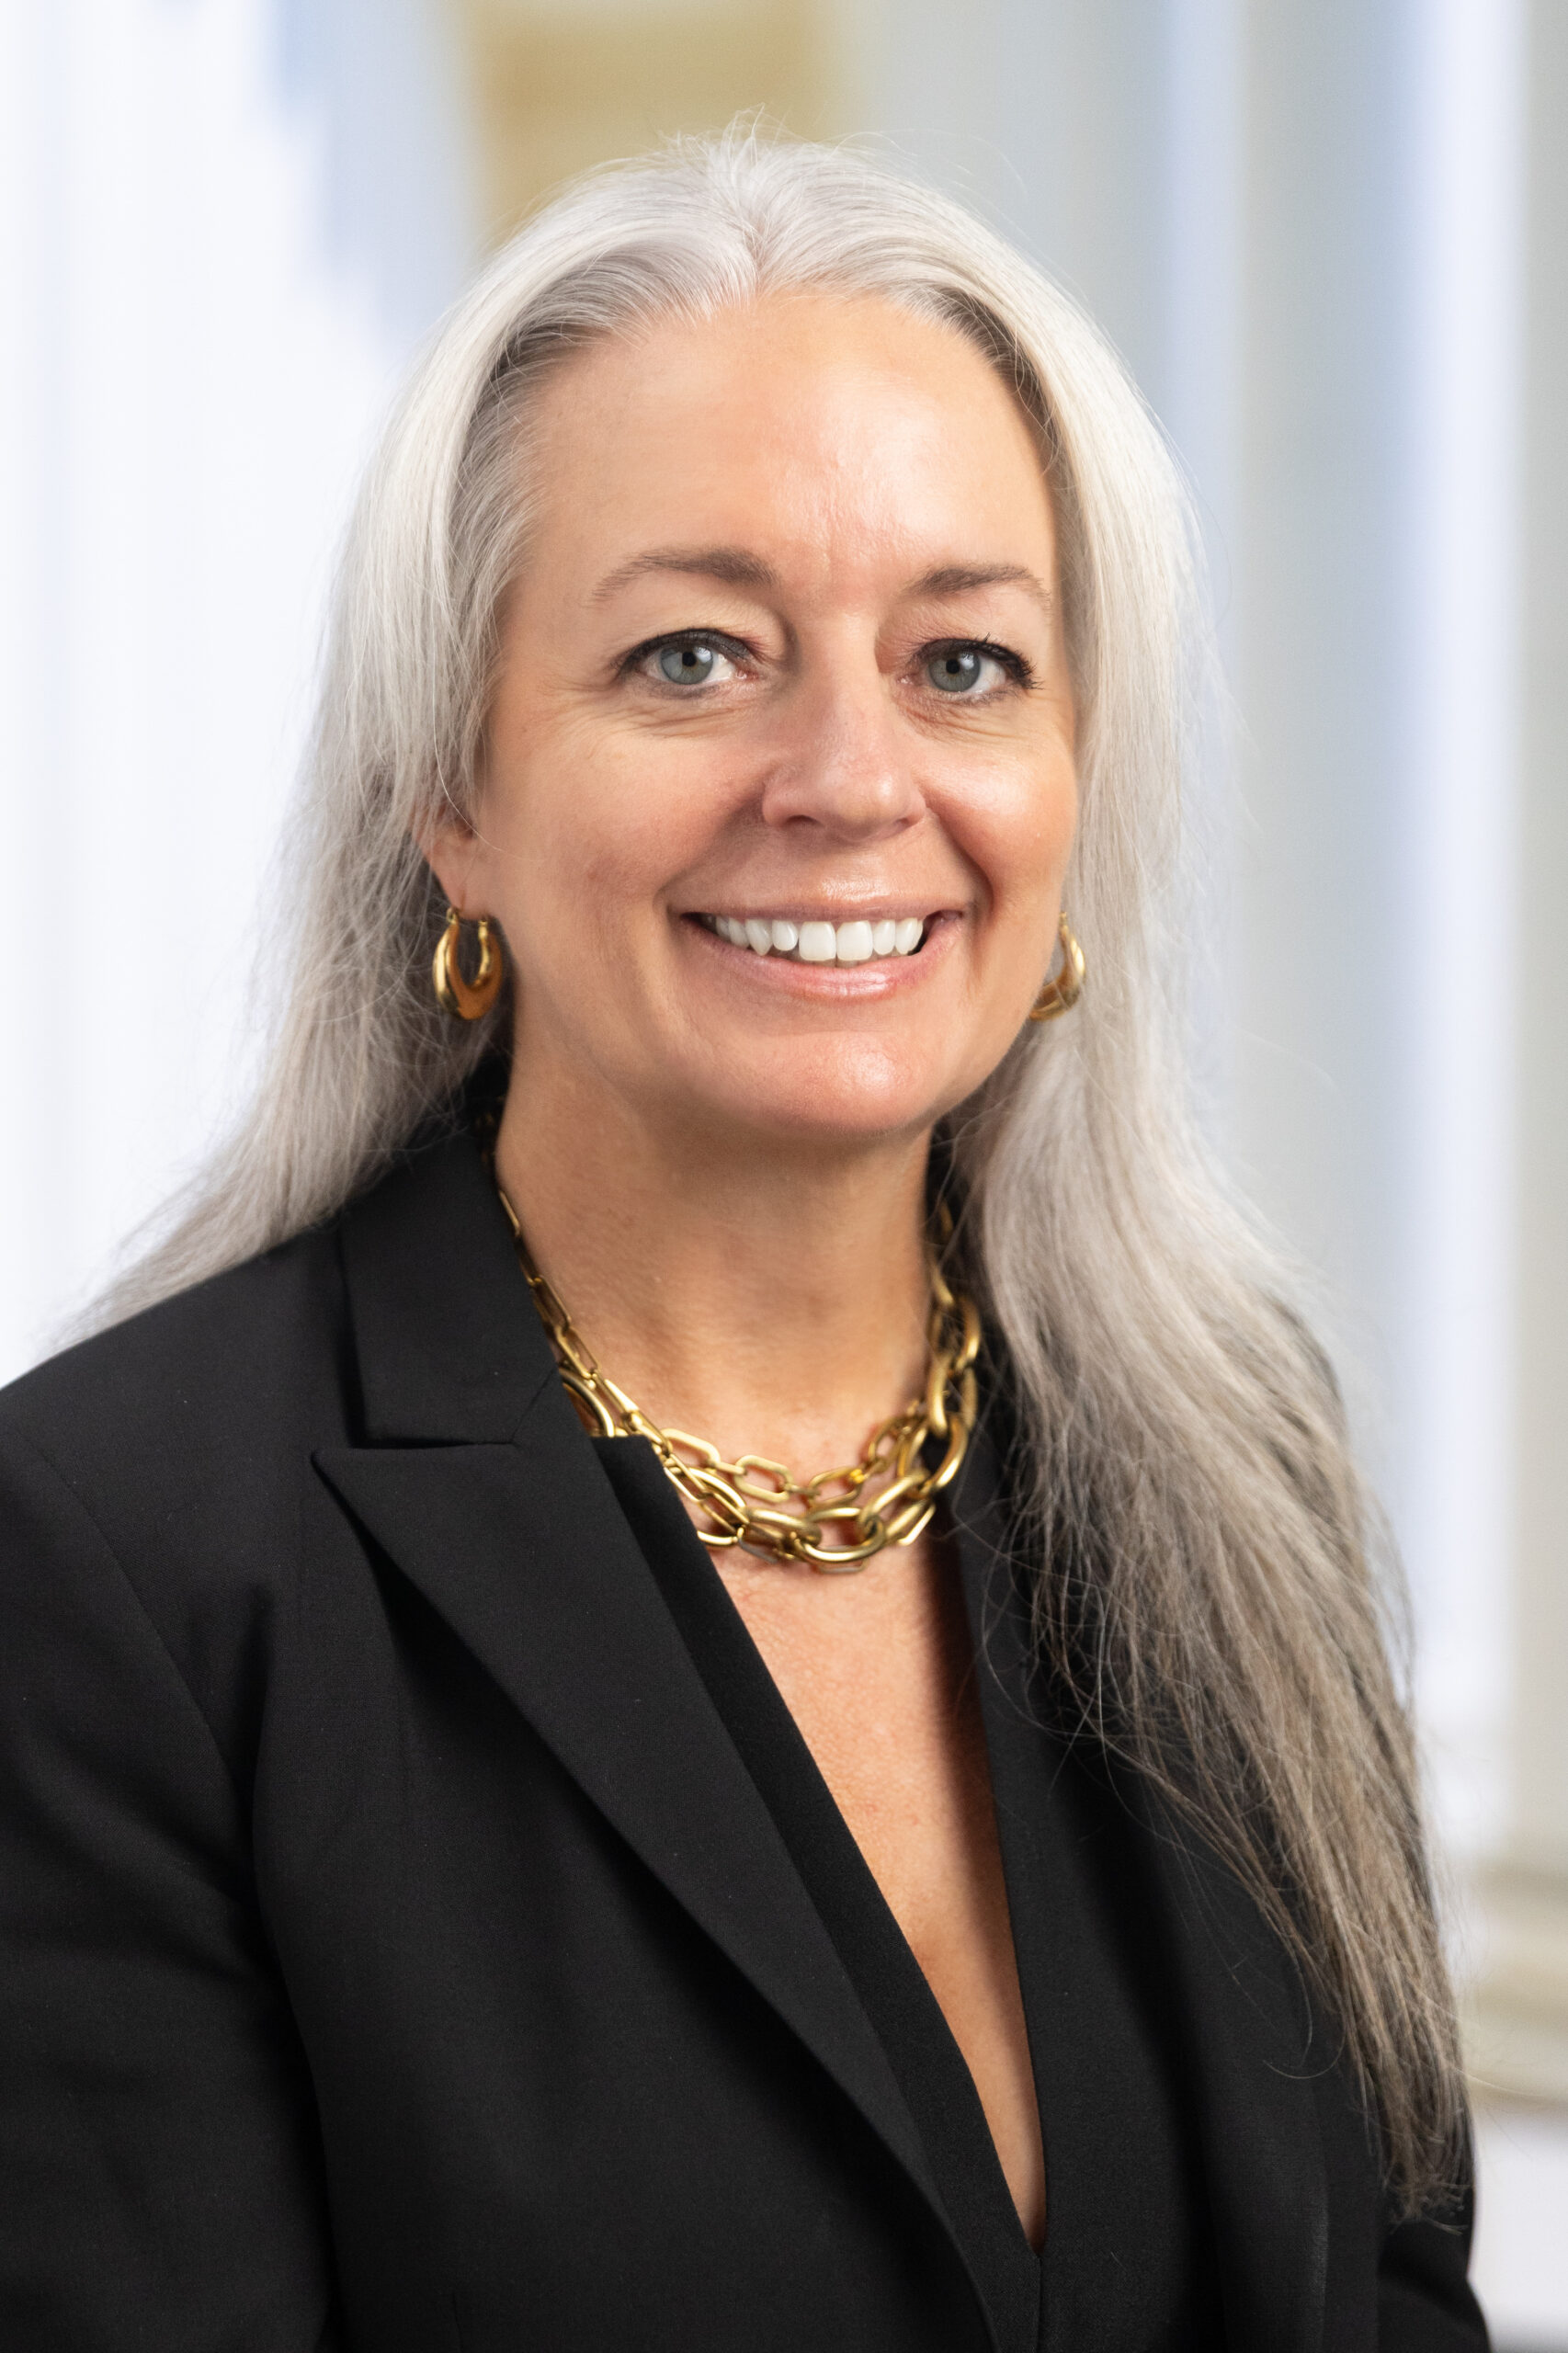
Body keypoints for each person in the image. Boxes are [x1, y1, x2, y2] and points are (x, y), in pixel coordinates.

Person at [0, 132, 1487, 2351]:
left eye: (966, 662)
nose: (848, 775)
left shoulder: (1228, 1452)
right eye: (694, 654)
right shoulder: (118, 1558)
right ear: (455, 797)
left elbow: (1387, 2294)